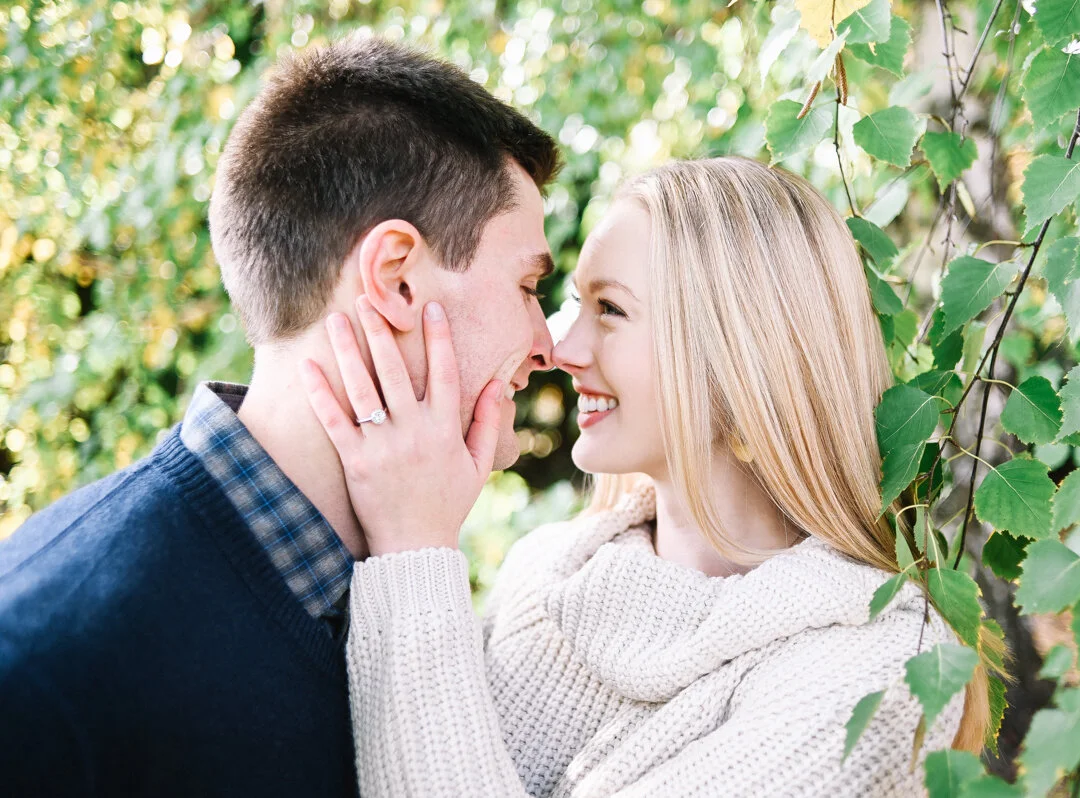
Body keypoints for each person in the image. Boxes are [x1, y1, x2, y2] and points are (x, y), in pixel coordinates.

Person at [303, 156, 1005, 797]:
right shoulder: (542, 578)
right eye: (575, 304)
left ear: (742, 360)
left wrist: (413, 547)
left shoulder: (880, 668)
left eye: (610, 309)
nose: (561, 348)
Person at [0, 36, 560, 797]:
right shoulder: (45, 673)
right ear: (396, 279)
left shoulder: (406, 612)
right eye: (528, 288)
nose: (547, 345)